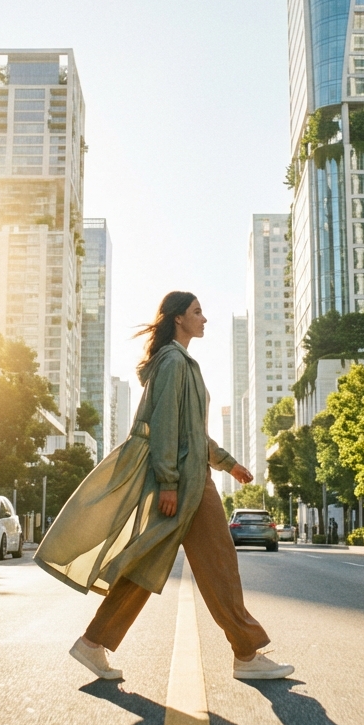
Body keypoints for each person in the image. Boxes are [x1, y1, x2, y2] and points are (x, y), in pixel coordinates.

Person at [36, 292, 293, 682]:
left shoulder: (182, 363)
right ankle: (246, 654)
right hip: (185, 482)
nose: (204, 318)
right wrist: (170, 483)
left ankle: (92, 643)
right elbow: (167, 428)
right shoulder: (175, 362)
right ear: (178, 319)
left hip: (190, 477)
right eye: (197, 312)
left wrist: (229, 463)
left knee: (146, 566)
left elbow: (193, 432)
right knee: (220, 565)